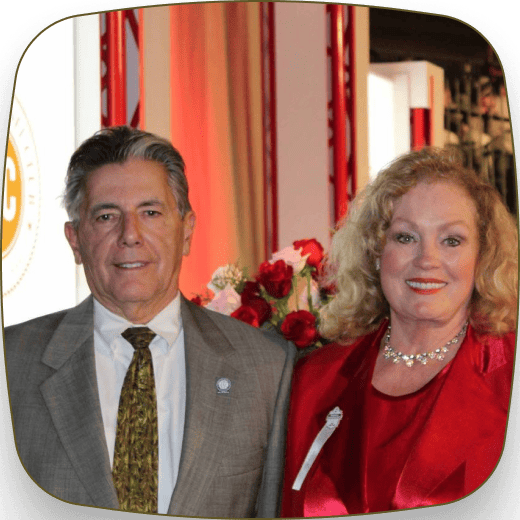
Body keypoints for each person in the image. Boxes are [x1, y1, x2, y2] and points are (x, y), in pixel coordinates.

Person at [5, 126, 295, 517]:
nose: (130, 235)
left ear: (187, 230)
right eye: (106, 216)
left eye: (151, 213)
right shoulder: (12, 364)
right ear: (75, 240)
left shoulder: (266, 368)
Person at [281, 148, 517, 516]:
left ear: (482, 257)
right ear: (376, 251)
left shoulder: (508, 376)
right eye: (406, 237)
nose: (427, 260)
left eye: (451, 240)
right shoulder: (313, 380)